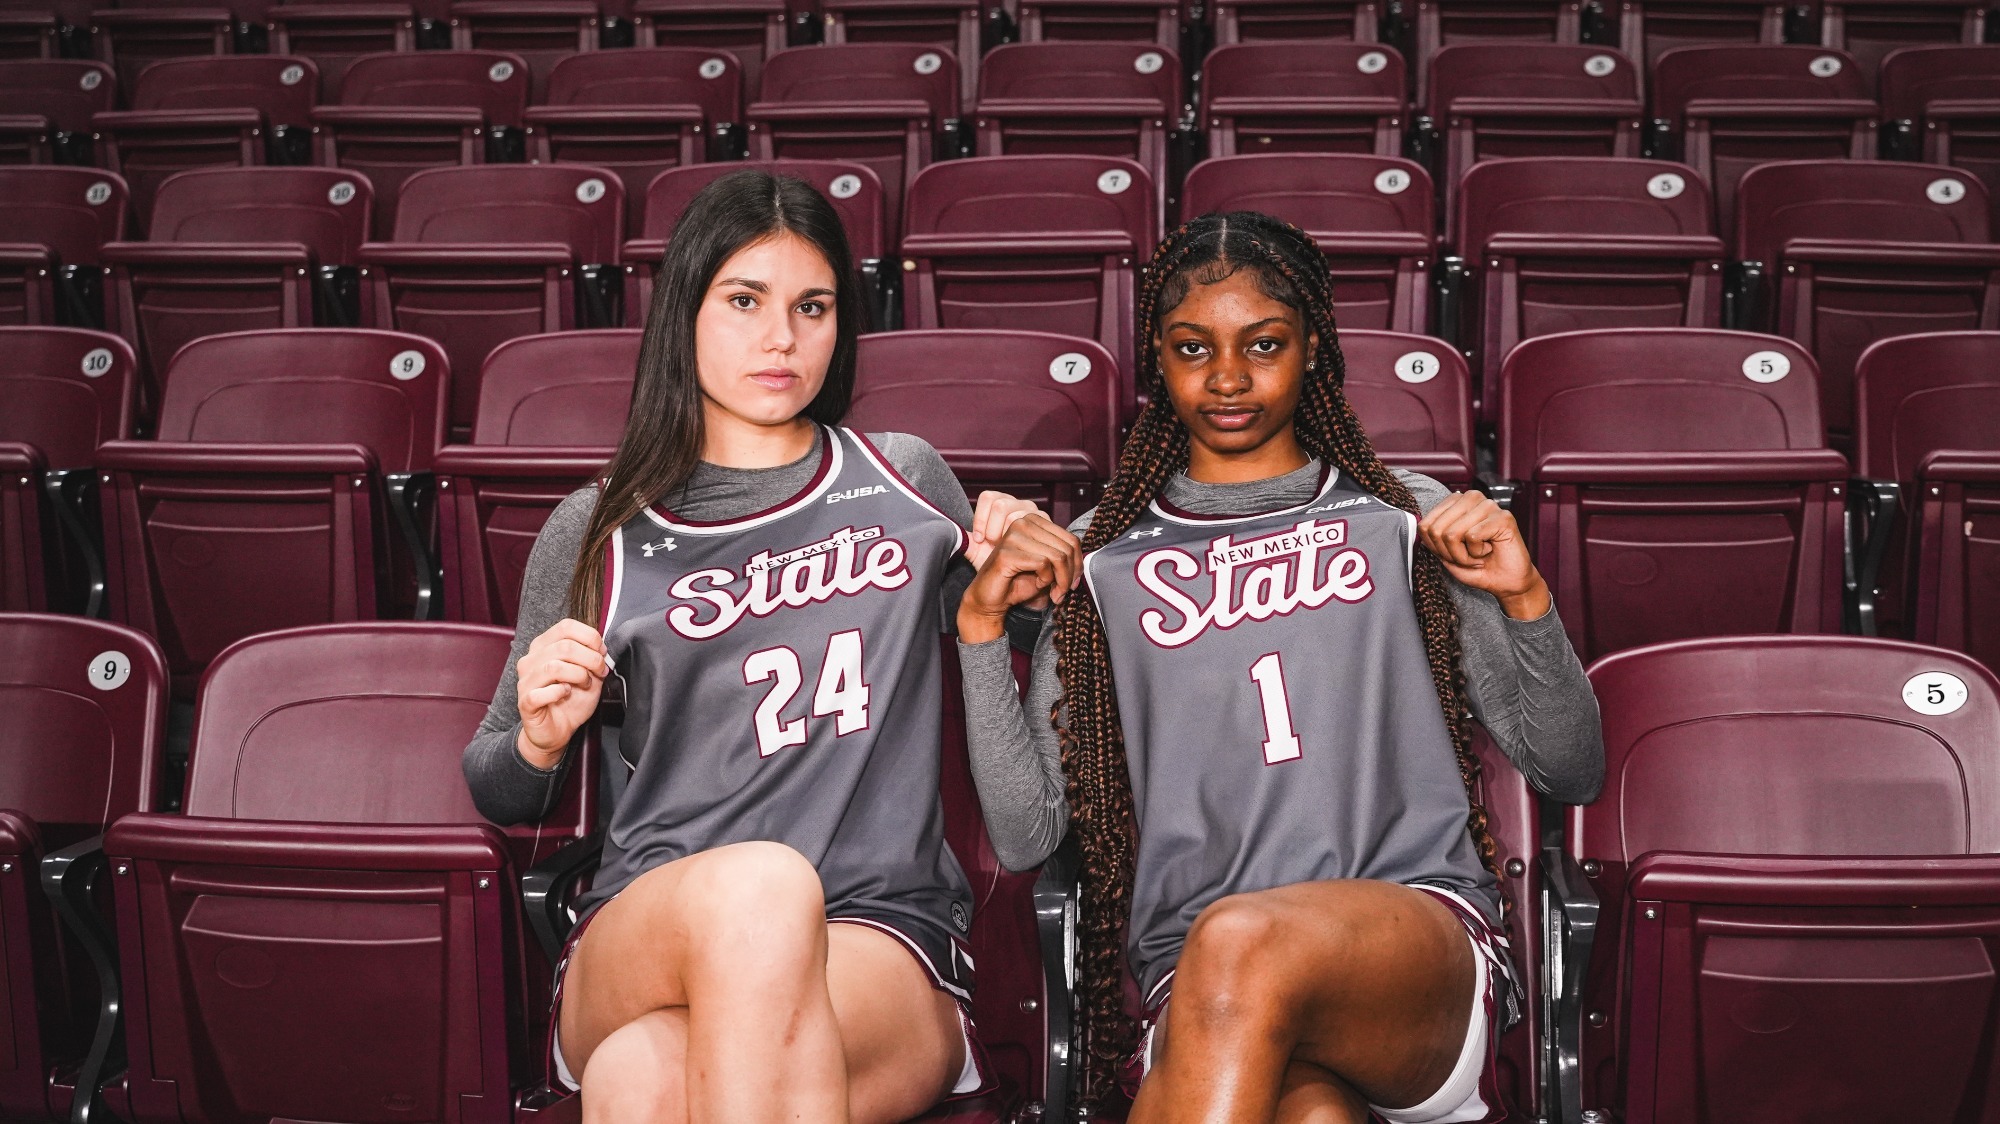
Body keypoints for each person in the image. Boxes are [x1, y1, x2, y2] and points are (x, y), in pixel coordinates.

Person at [954, 211, 1605, 1124]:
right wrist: (981, 627)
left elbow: (1570, 769)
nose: (1226, 378)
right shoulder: (1102, 561)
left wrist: (1527, 596)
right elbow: (1027, 837)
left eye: (1263, 345)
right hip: (1195, 983)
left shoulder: (1403, 523)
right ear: (1158, 363)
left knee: (1242, 939)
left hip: (1413, 948)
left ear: (1315, 353)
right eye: (1192, 349)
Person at [461, 169, 1040, 1123]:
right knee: (757, 887)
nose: (782, 337)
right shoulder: (600, 528)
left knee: (643, 1080)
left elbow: (1029, 635)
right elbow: (496, 785)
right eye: (745, 301)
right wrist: (536, 738)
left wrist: (1026, 570)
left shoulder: (904, 482)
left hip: (877, 932)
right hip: (647, 925)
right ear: (685, 310)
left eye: (812, 307)